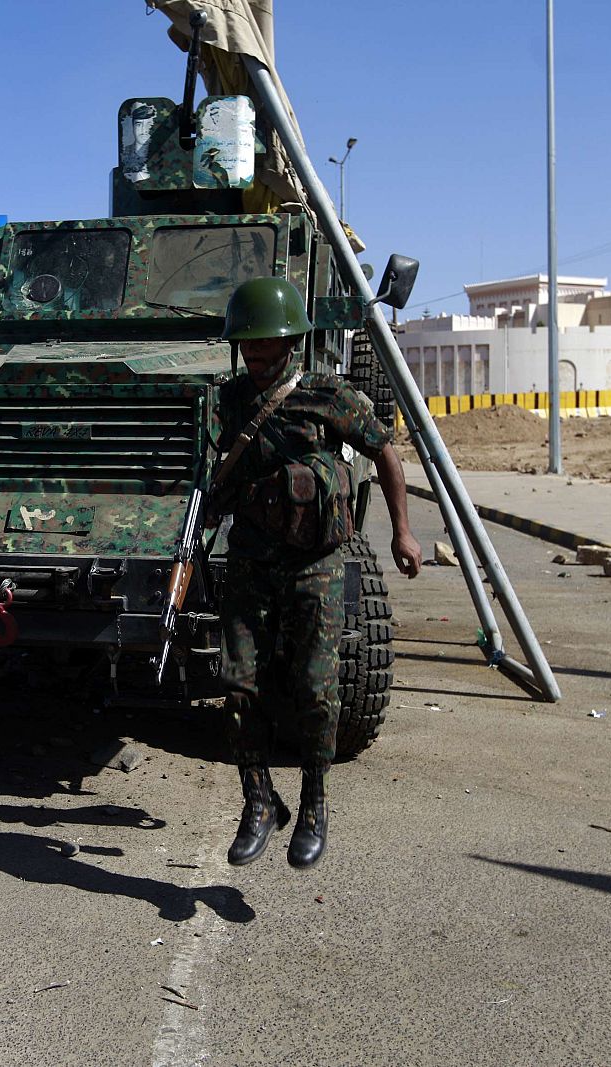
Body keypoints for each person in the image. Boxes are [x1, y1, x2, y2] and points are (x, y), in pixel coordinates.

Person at [210, 279, 422, 870]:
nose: (255, 360)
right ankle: (258, 800)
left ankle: (313, 804)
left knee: (316, 689)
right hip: (251, 561)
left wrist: (402, 532)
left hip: (316, 565)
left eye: (265, 350)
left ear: (290, 346)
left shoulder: (328, 396)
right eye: (247, 349)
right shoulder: (226, 404)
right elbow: (202, 479)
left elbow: (384, 452)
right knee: (235, 683)